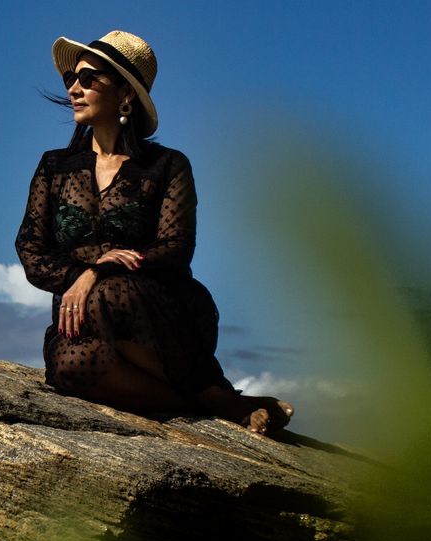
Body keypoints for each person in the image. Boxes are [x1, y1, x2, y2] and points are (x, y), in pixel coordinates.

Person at [15, 31, 293, 434]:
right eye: (70, 80)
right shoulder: (53, 167)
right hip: (82, 320)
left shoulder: (167, 166)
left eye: (89, 78)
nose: (74, 88)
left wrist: (102, 271)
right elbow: (30, 248)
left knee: (109, 292)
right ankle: (221, 404)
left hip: (165, 318)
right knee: (67, 364)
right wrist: (80, 275)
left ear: (125, 92)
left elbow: (177, 248)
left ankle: (218, 398)